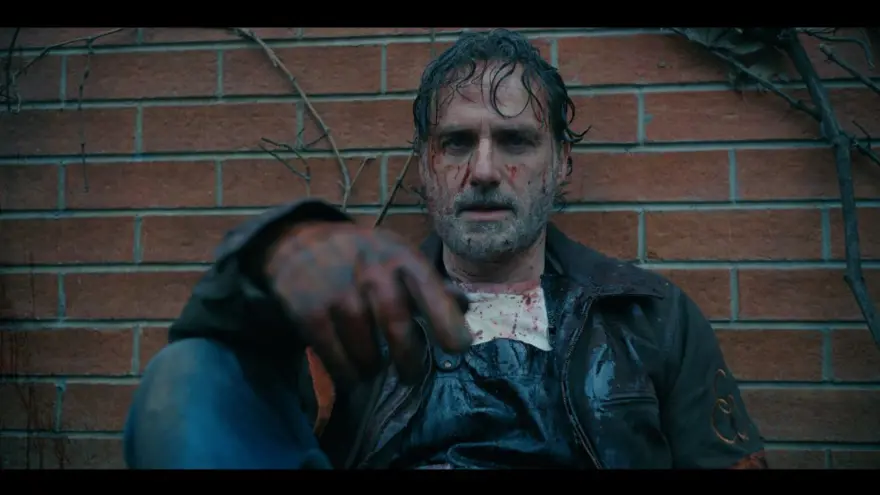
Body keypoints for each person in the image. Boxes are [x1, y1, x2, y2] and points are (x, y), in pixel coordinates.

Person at [123, 28, 768, 470]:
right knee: (186, 377)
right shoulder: (352, 311)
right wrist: (266, 266)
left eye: (515, 142)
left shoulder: (653, 317)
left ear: (562, 164)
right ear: (424, 169)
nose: (483, 170)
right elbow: (226, 410)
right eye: (457, 143)